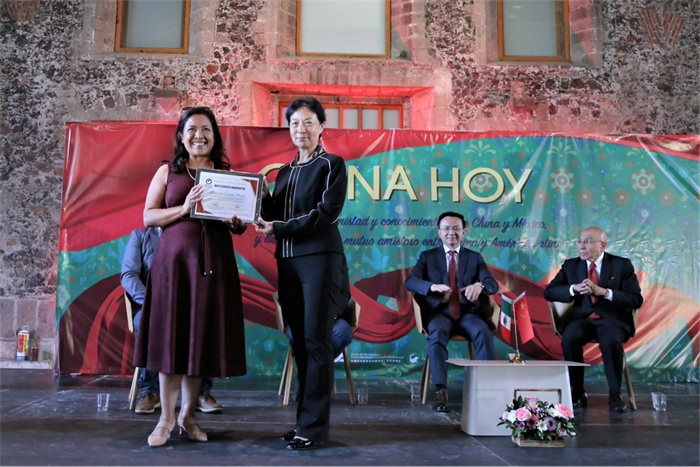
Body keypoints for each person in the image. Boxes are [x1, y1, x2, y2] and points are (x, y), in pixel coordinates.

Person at [133, 106, 247, 447]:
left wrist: (237, 222)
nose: (200, 135)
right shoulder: (167, 171)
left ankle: (188, 416)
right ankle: (165, 420)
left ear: (215, 136)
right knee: (172, 343)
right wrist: (184, 209)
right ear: (181, 136)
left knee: (199, 343)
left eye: (207, 129)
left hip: (214, 266)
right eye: (193, 129)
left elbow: (239, 222)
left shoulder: (226, 175)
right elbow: (148, 217)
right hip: (174, 268)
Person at [255, 97, 349, 450]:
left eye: (308, 122)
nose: (301, 129)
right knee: (299, 342)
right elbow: (272, 215)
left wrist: (278, 227)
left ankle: (314, 429)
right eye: (295, 123)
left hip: (320, 261)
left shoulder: (332, 165)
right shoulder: (283, 173)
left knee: (316, 341)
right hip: (288, 262)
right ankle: (302, 424)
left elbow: (326, 213)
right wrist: (258, 197)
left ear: (322, 126)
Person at [121, 226, 224, 415]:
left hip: (187, 305)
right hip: (151, 305)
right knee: (147, 321)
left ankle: (200, 392)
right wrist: (151, 301)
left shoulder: (193, 234)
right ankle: (150, 391)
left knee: (204, 320)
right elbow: (129, 275)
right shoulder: (141, 236)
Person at [405, 211, 498, 413]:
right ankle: (440, 391)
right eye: (446, 229)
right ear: (439, 233)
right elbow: (410, 282)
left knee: (483, 331)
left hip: (467, 313)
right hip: (440, 312)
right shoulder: (428, 256)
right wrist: (431, 287)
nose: (451, 233)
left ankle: (487, 388)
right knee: (437, 332)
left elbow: (492, 284)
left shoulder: (474, 257)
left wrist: (480, 285)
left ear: (464, 232)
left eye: (456, 228)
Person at [544, 226, 643, 413]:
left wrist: (604, 292)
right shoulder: (571, 265)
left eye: (588, 242)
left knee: (610, 340)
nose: (581, 246)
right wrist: (573, 289)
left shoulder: (621, 265)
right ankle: (577, 393)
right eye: (579, 241)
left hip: (611, 319)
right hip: (582, 319)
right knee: (570, 338)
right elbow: (549, 292)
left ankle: (615, 395)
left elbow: (635, 299)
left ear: (602, 245)